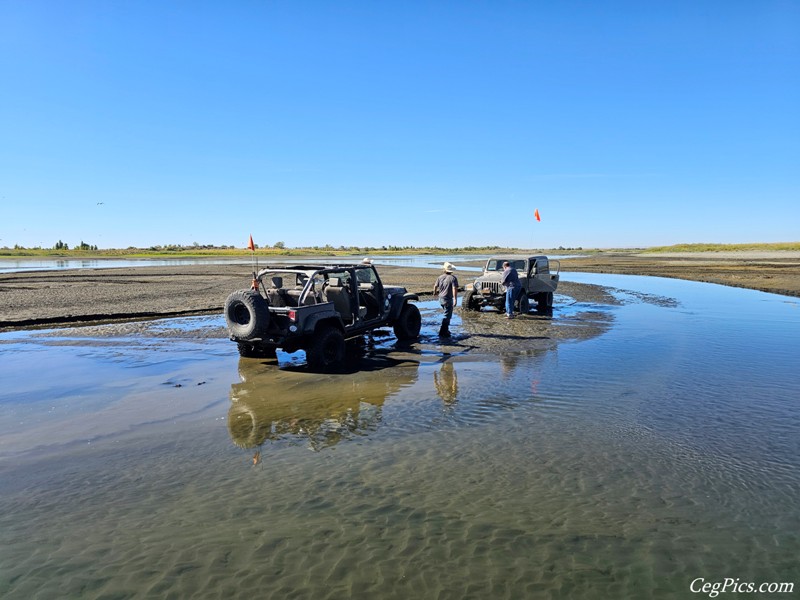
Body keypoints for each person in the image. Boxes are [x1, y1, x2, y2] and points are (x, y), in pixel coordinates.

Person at [434, 262, 459, 337]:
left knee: (446, 313)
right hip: (447, 299)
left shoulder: (440, 277)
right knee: (447, 315)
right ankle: (443, 331)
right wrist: (455, 299)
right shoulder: (453, 278)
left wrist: (435, 293)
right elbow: (454, 288)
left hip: (441, 298)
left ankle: (445, 330)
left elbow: (435, 286)